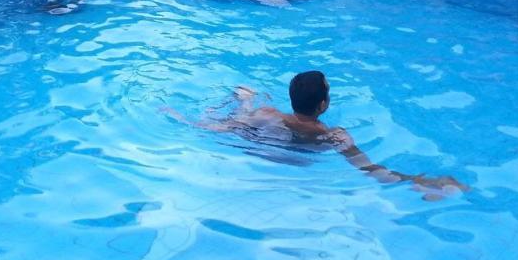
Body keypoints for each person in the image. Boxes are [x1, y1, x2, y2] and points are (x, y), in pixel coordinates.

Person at [171, 72, 466, 195]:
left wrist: (182, 119)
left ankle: (245, 97)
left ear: (292, 98)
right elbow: (371, 170)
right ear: (324, 104)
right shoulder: (335, 137)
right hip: (299, 166)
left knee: (246, 109)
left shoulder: (269, 114)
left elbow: (225, 127)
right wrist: (419, 180)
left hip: (260, 148)